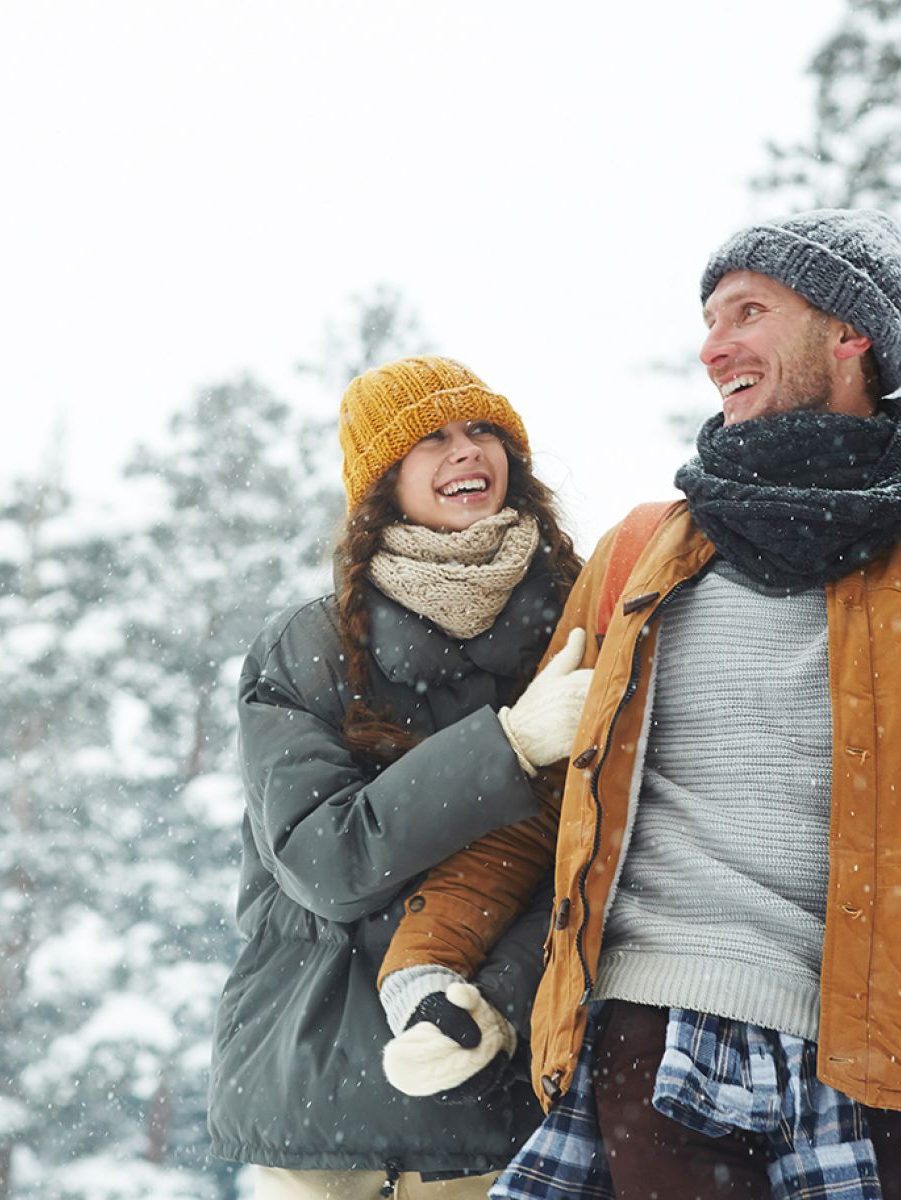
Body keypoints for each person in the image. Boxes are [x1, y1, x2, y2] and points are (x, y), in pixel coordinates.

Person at [373, 211, 901, 1200]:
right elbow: (551, 798)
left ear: (849, 333)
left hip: (874, 1057)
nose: (711, 344)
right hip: (650, 1032)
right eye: (708, 318)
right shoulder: (637, 557)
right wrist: (425, 969)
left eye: (747, 311)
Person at [209, 355, 593, 1200]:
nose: (465, 452)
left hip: (506, 1113)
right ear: (381, 481)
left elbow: (591, 876)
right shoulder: (305, 649)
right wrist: (512, 746)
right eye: (431, 440)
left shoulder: (580, 632)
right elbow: (327, 864)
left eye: (481, 430)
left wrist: (479, 1011)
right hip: (321, 1120)